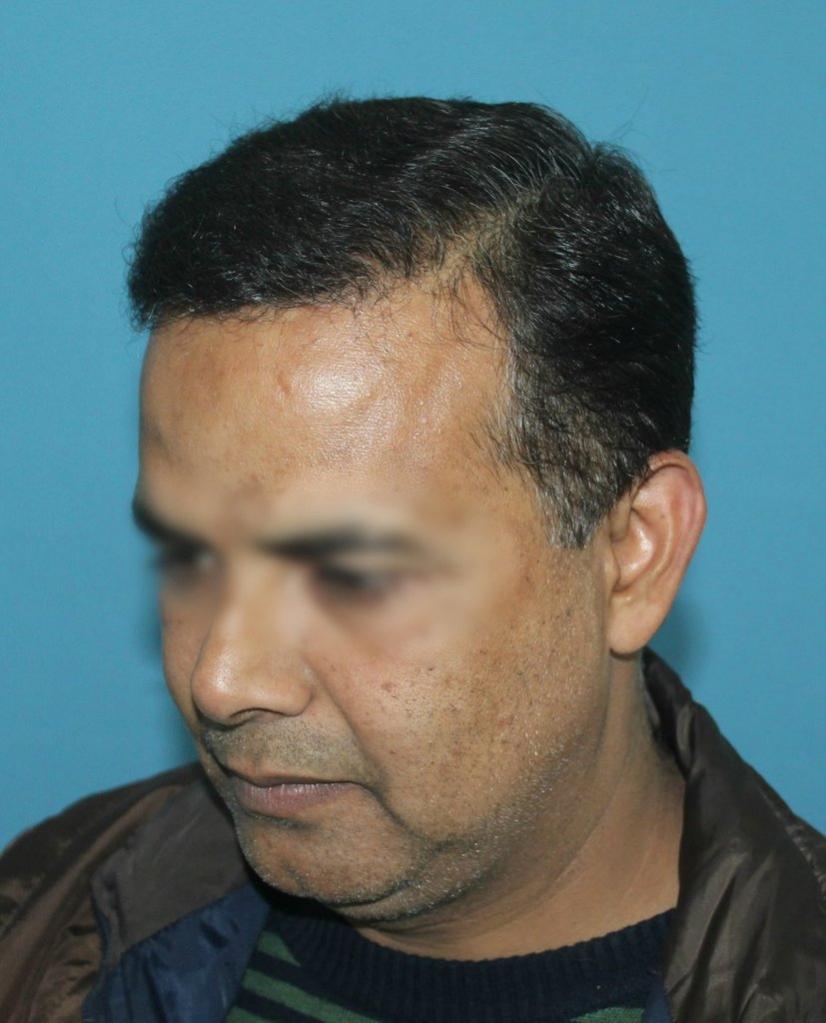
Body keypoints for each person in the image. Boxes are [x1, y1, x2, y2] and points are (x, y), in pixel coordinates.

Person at [0, 96, 823, 1023]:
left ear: (634, 551)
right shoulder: (43, 925)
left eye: (350, 568)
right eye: (189, 556)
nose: (222, 680)